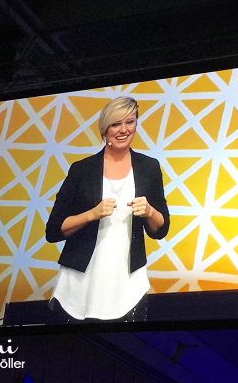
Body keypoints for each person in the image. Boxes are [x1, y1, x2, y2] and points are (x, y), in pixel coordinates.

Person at [45, 96, 170, 322]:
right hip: (78, 285)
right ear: (105, 129)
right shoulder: (81, 170)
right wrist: (91, 214)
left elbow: (161, 229)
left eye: (130, 122)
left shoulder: (149, 167)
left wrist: (150, 211)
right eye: (115, 124)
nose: (123, 130)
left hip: (128, 284)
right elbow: (53, 230)